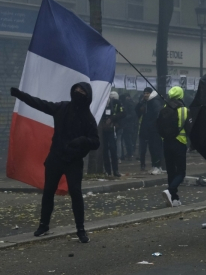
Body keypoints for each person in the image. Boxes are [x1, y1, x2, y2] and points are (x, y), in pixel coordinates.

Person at [10, 83, 99, 243]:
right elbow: (39, 104)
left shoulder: (88, 118)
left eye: (82, 92)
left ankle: (81, 229)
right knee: (48, 191)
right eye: (76, 90)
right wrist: (20, 95)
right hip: (55, 158)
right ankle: (43, 225)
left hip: (74, 161)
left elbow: (96, 142)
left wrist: (83, 140)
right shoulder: (62, 108)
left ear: (87, 96)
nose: (78, 93)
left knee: (76, 192)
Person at [161, 86, 188, 207]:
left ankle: (174, 199)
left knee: (171, 171)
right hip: (180, 142)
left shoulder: (165, 108)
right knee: (181, 172)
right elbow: (188, 127)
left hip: (166, 143)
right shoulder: (183, 110)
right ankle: (170, 190)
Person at [136, 87, 164, 175]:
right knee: (151, 148)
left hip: (154, 130)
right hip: (149, 130)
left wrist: (153, 125)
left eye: (147, 93)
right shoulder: (146, 102)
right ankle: (154, 166)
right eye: (144, 93)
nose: (145, 95)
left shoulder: (154, 102)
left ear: (151, 94)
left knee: (156, 148)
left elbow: (157, 114)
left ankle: (158, 166)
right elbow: (138, 112)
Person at [101, 92, 125, 177]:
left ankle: (115, 170)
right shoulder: (100, 102)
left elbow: (122, 113)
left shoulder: (116, 103)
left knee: (113, 148)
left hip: (112, 129)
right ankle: (107, 170)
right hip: (102, 130)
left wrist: (112, 118)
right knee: (104, 150)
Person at [120, 93, 136, 163]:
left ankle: (129, 153)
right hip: (127, 124)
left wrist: (124, 118)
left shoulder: (127, 104)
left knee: (127, 140)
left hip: (127, 124)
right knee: (126, 140)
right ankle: (128, 154)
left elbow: (132, 114)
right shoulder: (128, 103)